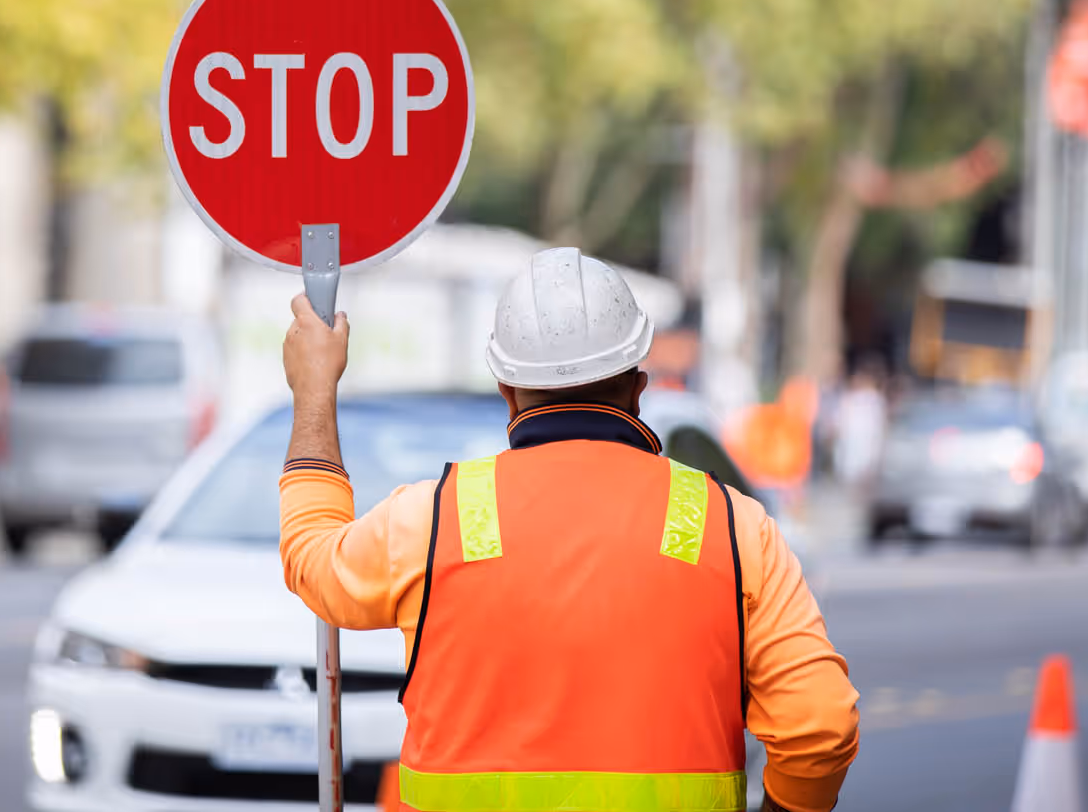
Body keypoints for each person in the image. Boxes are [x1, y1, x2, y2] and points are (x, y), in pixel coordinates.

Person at [280, 248, 858, 812]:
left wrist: (314, 392)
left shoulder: (434, 519)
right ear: (638, 385)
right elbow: (820, 728)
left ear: (507, 392)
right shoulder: (731, 527)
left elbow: (312, 558)